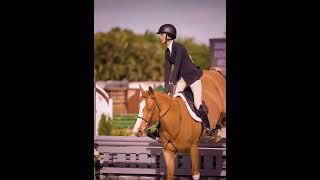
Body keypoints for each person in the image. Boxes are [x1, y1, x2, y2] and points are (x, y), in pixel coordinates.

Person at [156, 24, 214, 140]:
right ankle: (158, 129)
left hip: (193, 78)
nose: (160, 37)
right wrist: (166, 86)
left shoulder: (179, 47)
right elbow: (167, 70)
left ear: (169, 36)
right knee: (169, 99)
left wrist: (172, 84)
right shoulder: (167, 52)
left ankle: (208, 129)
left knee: (198, 104)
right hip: (183, 79)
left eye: (162, 35)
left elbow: (176, 67)